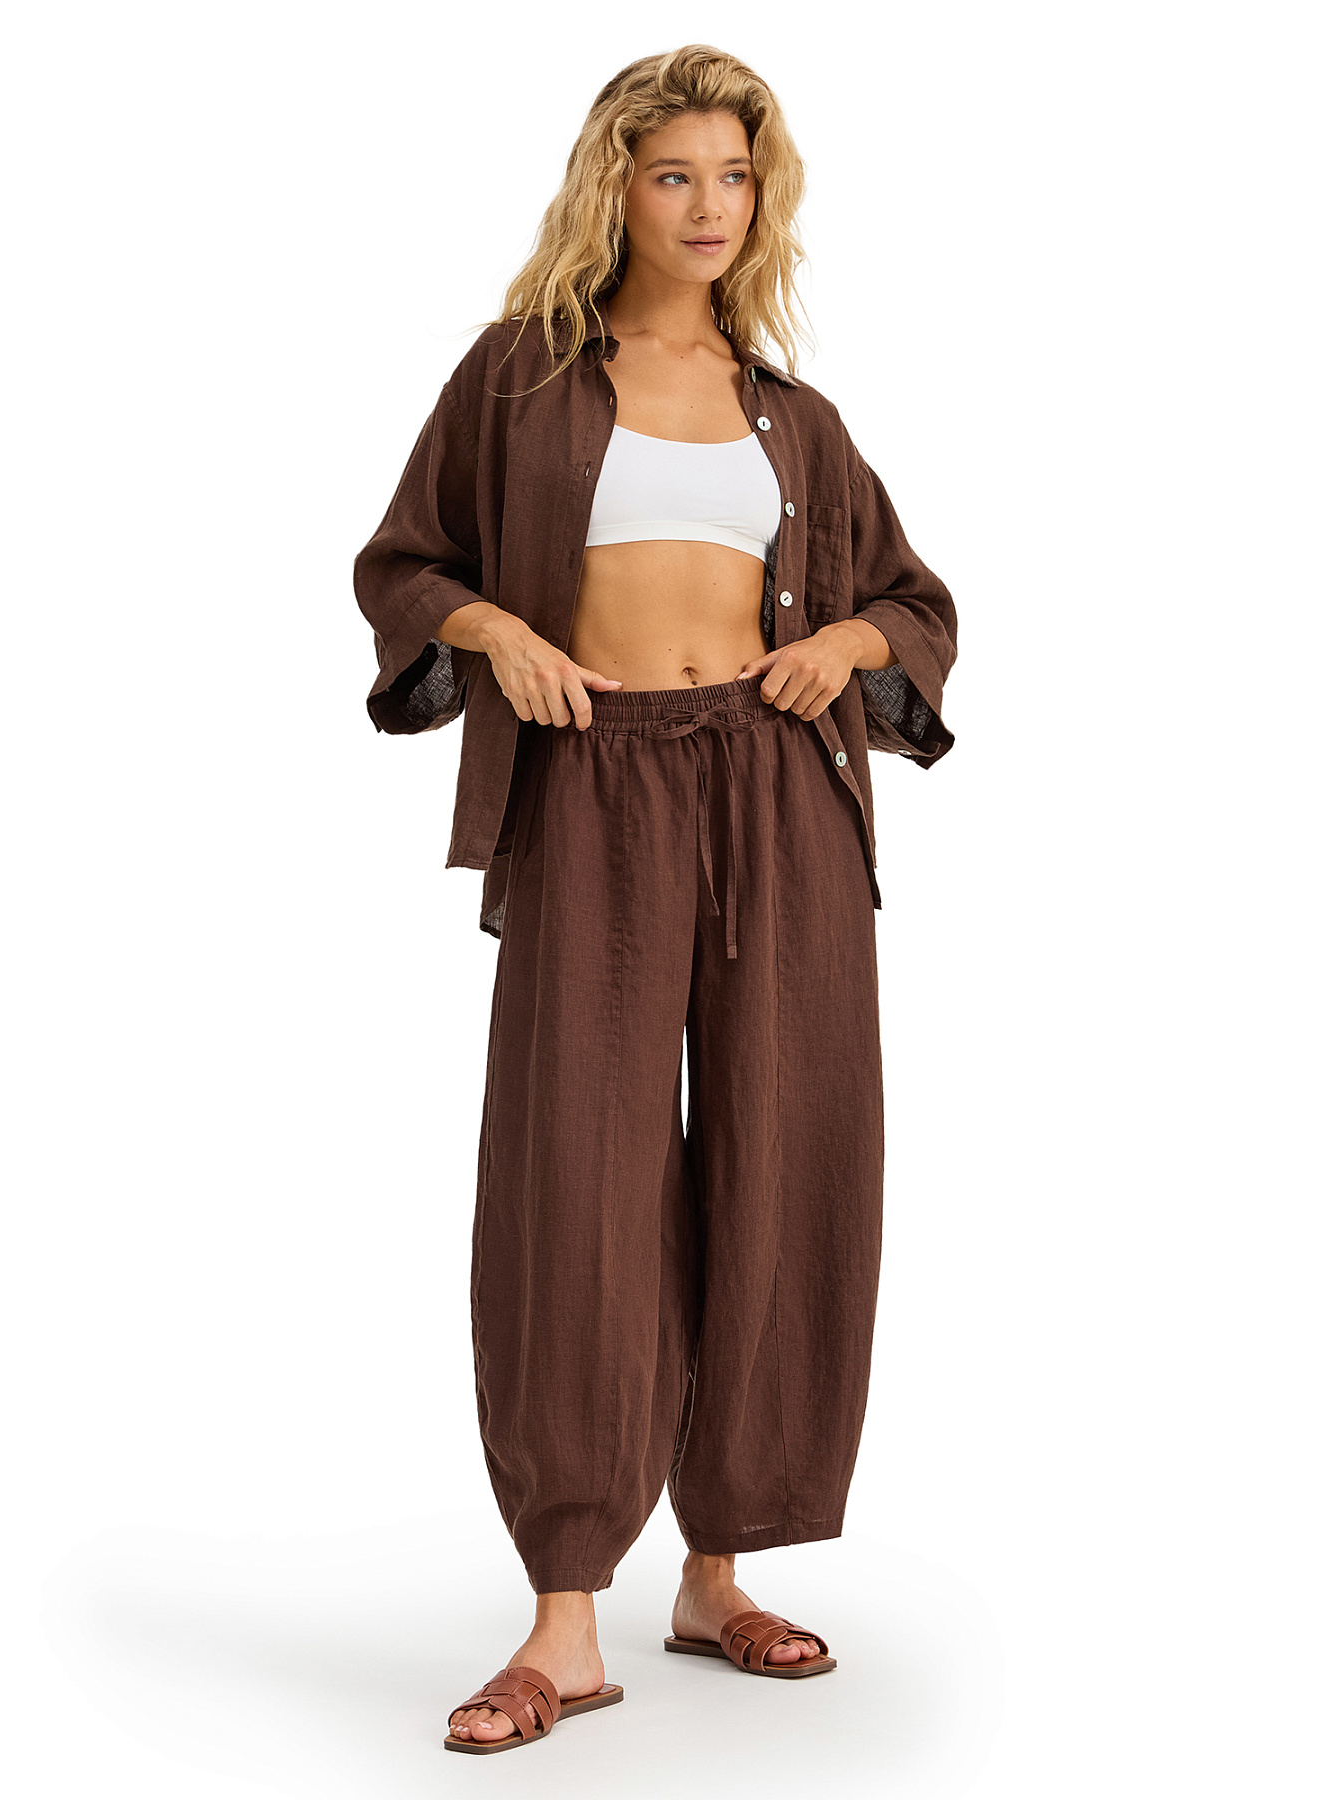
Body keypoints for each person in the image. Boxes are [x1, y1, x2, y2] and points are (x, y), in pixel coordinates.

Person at [353, 44, 958, 1757]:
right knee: (579, 1176)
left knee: (784, 1158)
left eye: (734, 177)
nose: (708, 205)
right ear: (612, 186)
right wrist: (496, 634)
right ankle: (565, 1618)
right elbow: (404, 565)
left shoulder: (791, 413)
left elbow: (916, 604)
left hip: (779, 793)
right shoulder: (518, 377)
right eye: (674, 172)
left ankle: (717, 1572)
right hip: (593, 788)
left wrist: (847, 641)